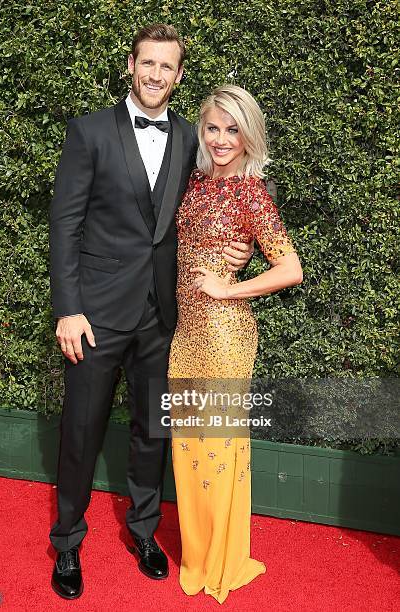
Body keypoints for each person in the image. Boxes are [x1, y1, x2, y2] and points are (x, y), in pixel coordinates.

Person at [48, 25, 253, 599]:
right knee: (80, 432)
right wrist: (68, 309)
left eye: (167, 67)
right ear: (131, 66)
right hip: (95, 316)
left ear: (179, 75)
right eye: (147, 64)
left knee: (151, 432)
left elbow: (229, 192)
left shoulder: (193, 137)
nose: (156, 75)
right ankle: (66, 541)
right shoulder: (89, 131)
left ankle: (143, 531)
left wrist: (240, 247)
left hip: (164, 317)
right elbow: (64, 225)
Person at [168, 84, 303, 603]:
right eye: (213, 127)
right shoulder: (197, 184)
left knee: (219, 451)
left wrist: (230, 286)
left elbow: (290, 268)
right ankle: (198, 554)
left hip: (226, 336)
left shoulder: (251, 193)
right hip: (187, 334)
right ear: (201, 131)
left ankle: (222, 560)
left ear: (249, 136)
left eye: (233, 129)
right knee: (188, 450)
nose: (222, 139)